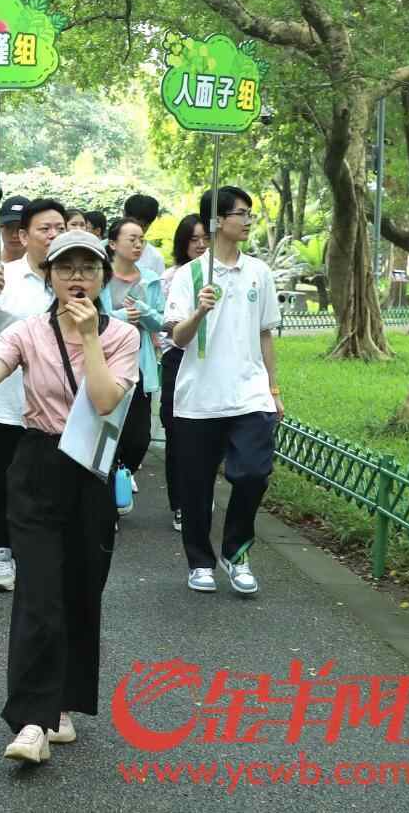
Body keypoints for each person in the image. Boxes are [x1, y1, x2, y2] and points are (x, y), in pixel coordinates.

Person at [0, 229, 139, 765]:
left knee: (81, 590)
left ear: (103, 277)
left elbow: (104, 401)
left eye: (88, 268)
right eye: (65, 269)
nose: (77, 278)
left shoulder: (123, 336)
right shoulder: (28, 331)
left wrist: (91, 338)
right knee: (38, 593)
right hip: (37, 466)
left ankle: (62, 703)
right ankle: (32, 720)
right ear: (49, 277)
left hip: (90, 471)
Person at [166, 187, 282, 595]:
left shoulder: (259, 273)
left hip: (249, 394)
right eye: (240, 214)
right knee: (196, 488)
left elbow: (265, 334)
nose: (248, 221)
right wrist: (199, 310)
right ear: (217, 220)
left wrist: (273, 388)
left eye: (250, 214)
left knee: (253, 473)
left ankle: (237, 552)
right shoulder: (189, 276)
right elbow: (178, 339)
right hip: (199, 398)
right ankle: (200, 562)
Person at [0, 199, 63, 598]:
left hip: (59, 406)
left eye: (59, 228)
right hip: (6, 400)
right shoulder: (1, 276)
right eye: (44, 228)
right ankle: (2, 553)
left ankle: (40, 556)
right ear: (23, 235)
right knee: (6, 482)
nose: (53, 235)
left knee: (50, 485)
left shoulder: (73, 277)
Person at [100, 217, 164, 514]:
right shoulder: (99, 275)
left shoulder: (150, 279)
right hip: (104, 363)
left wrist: (143, 311)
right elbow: (94, 318)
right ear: (113, 243)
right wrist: (123, 317)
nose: (138, 245)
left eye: (141, 240)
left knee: (138, 438)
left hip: (139, 364)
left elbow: (161, 321)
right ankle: (107, 495)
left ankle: (121, 473)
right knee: (105, 432)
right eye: (132, 239)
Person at [158, 214, 208, 532]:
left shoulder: (220, 274)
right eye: (193, 239)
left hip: (209, 363)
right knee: (177, 433)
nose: (201, 245)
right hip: (177, 358)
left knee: (207, 434)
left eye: (205, 238)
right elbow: (166, 323)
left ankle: (199, 495)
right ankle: (180, 503)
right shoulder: (173, 277)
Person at [123, 193, 166, 278]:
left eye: (142, 226)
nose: (135, 230)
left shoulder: (155, 258)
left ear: (150, 224)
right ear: (123, 215)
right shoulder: (102, 249)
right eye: (132, 223)